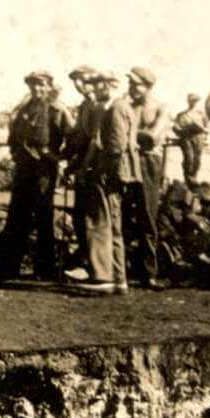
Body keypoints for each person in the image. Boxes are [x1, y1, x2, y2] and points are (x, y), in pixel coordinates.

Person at [0, 70, 71, 281]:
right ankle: (8, 267)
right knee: (17, 216)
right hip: (24, 168)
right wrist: (15, 152)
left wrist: (58, 157)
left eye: (41, 85)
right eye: (33, 85)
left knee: (44, 217)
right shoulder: (24, 109)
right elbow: (13, 137)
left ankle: (44, 269)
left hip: (44, 171)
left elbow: (73, 137)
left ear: (49, 86)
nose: (36, 89)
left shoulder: (57, 109)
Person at [79, 71, 133, 294]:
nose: (96, 88)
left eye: (100, 84)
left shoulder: (116, 108)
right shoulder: (110, 107)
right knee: (111, 223)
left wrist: (105, 171)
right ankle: (118, 279)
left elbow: (117, 145)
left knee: (103, 223)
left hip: (109, 173)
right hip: (109, 171)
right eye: (95, 84)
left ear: (112, 85)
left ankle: (106, 277)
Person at [124, 67, 170, 289]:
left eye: (136, 84)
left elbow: (152, 138)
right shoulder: (129, 107)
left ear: (147, 85)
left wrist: (128, 134)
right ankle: (121, 269)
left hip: (148, 164)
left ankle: (148, 273)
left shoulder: (161, 108)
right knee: (123, 214)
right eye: (130, 84)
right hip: (127, 161)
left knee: (147, 217)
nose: (131, 88)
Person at [61, 65, 102, 273]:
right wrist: (67, 158)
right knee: (79, 215)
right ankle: (85, 257)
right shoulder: (85, 105)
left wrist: (82, 167)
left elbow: (94, 140)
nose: (78, 85)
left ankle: (92, 263)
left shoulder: (98, 105)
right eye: (75, 81)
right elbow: (78, 137)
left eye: (83, 80)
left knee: (90, 217)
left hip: (94, 166)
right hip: (82, 164)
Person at [174, 93, 207, 187]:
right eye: (192, 101)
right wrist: (182, 129)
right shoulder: (182, 115)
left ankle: (194, 178)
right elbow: (176, 128)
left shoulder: (201, 114)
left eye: (195, 101)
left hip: (198, 138)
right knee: (189, 159)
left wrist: (203, 130)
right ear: (188, 101)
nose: (193, 103)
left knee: (197, 159)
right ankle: (188, 180)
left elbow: (207, 126)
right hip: (186, 138)